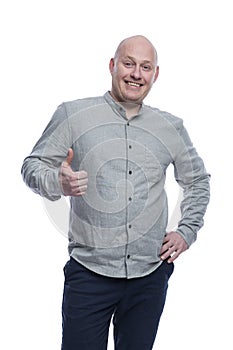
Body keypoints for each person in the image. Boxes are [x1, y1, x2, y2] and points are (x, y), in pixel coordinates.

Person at [21, 35, 210, 350]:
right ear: (112, 66)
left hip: (149, 277)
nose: (137, 73)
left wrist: (186, 231)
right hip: (89, 275)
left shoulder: (171, 126)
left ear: (155, 75)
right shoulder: (73, 115)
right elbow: (32, 166)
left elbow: (198, 180)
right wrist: (58, 182)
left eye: (145, 67)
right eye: (129, 63)